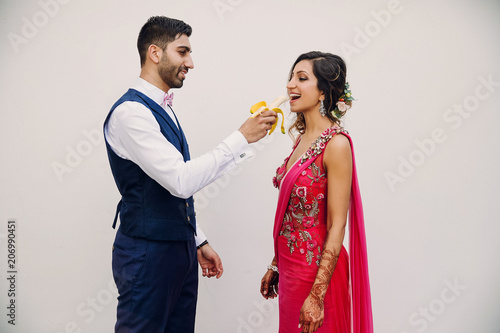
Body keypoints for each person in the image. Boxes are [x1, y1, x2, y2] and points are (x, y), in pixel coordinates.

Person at [103, 16, 277, 333]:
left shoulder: (163, 106)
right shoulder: (131, 113)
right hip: (147, 253)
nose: (191, 63)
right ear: (155, 53)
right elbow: (181, 180)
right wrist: (241, 137)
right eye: (183, 52)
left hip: (177, 249)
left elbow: (170, 186)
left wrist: (197, 239)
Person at [260, 51, 373, 333]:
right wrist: (275, 265)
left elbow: (337, 225)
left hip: (317, 274)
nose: (290, 85)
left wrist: (317, 295)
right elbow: (293, 213)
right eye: (291, 77)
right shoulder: (301, 140)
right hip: (290, 270)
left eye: (302, 78)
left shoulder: (336, 145)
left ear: (323, 92)